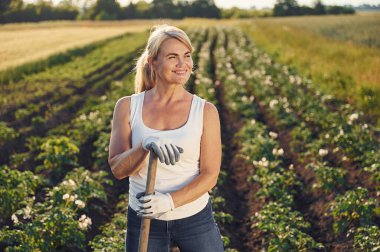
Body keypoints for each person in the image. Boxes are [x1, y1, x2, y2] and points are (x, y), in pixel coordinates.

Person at [108, 24, 224, 252]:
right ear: (153, 62)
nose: (183, 64)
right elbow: (118, 170)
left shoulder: (205, 111)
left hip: (195, 220)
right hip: (145, 222)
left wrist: (169, 201)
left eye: (187, 56)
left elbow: (210, 175)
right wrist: (143, 146)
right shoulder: (127, 107)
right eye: (173, 57)